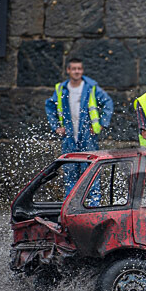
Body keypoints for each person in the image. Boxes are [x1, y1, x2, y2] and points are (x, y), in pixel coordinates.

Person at [45, 58, 114, 193]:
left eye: (79, 69)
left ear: (82, 70)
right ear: (68, 70)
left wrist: (101, 124)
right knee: (70, 173)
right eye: (74, 69)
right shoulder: (61, 89)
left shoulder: (91, 87)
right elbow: (50, 106)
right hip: (68, 137)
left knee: (91, 172)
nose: (77, 71)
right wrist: (56, 127)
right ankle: (71, 203)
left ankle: (93, 203)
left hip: (88, 136)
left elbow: (108, 103)